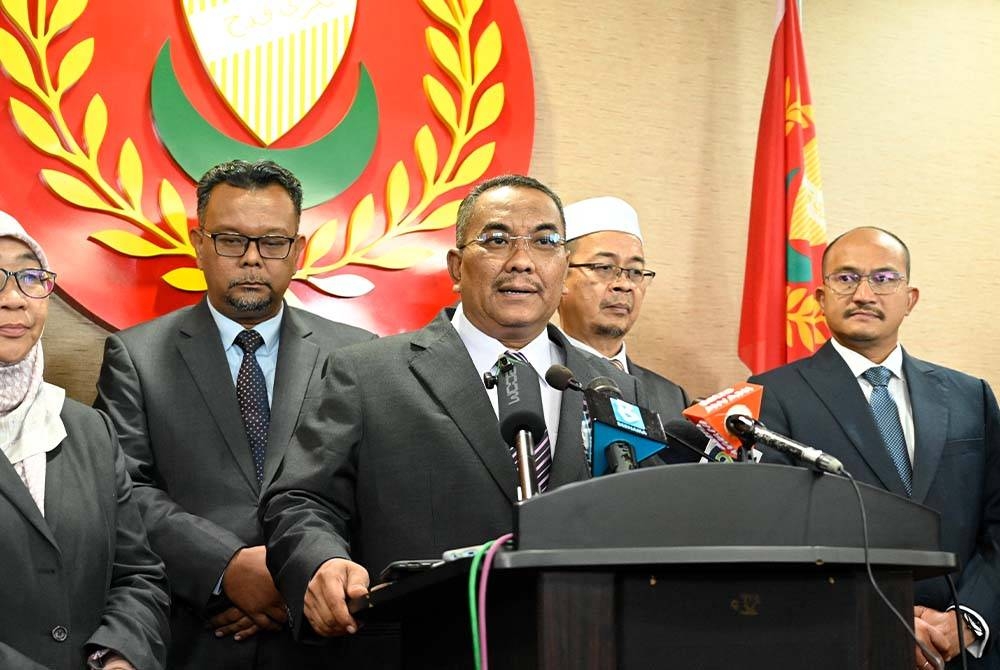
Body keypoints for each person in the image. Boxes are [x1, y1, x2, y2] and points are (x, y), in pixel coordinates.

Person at [260, 174, 642, 647]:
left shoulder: (614, 389)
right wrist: (319, 561)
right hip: (418, 647)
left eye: (545, 242)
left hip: (579, 644)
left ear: (564, 268)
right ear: (457, 267)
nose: (522, 262)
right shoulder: (367, 373)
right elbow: (301, 500)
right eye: (498, 240)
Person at [94, 160, 375, 669]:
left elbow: (374, 493)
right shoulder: (135, 357)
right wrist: (227, 569)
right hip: (195, 633)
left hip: (325, 637)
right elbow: (122, 490)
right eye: (230, 240)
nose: (251, 260)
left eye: (272, 242)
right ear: (199, 243)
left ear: (298, 251)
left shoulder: (359, 355)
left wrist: (295, 576)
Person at [749, 227, 999, 669]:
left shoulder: (970, 395)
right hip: (842, 645)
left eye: (884, 279)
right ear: (821, 299)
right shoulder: (770, 396)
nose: (864, 293)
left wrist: (968, 620)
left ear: (911, 298)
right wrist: (881, 621)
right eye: (846, 278)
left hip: (961, 653)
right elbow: (772, 540)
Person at [0, 212, 169, 670]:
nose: (15, 299)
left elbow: (138, 576)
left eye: (30, 276)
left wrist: (119, 656)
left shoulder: (87, 430)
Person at [557, 195, 689, 423]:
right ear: (559, 276)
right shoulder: (540, 379)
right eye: (604, 267)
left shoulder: (671, 397)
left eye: (636, 272)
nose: (624, 284)